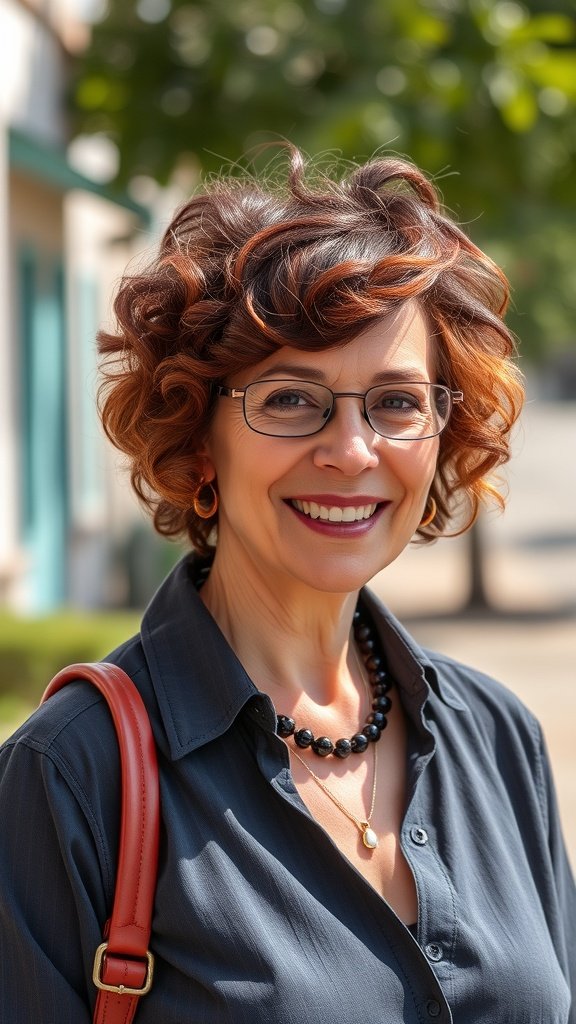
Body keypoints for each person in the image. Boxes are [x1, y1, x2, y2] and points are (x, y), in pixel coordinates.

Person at [0, 147, 574, 1023]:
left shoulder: (499, 740)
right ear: (198, 440)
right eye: (290, 400)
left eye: (396, 402)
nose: (351, 452)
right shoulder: (73, 775)